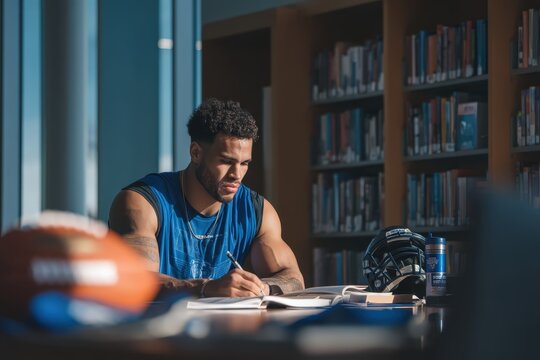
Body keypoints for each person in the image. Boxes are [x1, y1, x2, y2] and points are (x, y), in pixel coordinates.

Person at [109, 98, 304, 298]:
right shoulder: (141, 203)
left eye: (244, 163)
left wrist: (261, 288)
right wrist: (204, 288)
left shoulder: (257, 211)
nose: (236, 174)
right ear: (195, 152)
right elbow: (133, 280)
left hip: (219, 327)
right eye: (226, 161)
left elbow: (293, 278)